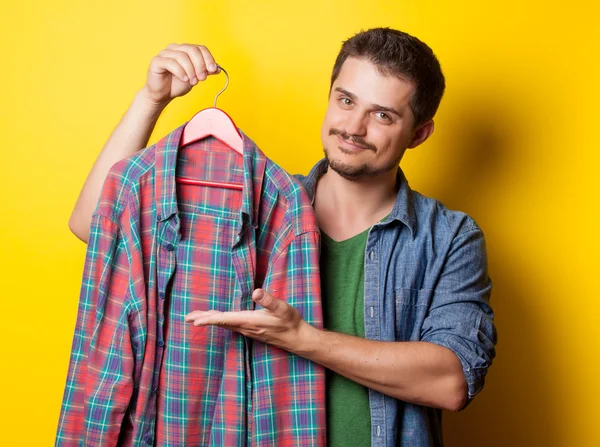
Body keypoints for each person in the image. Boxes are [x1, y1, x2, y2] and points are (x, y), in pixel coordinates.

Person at [68, 28, 496, 446]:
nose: (353, 127)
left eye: (383, 115)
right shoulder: (259, 205)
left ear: (418, 133)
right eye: (345, 101)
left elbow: (451, 381)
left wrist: (302, 339)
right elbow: (96, 226)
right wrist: (151, 100)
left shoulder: (449, 237)